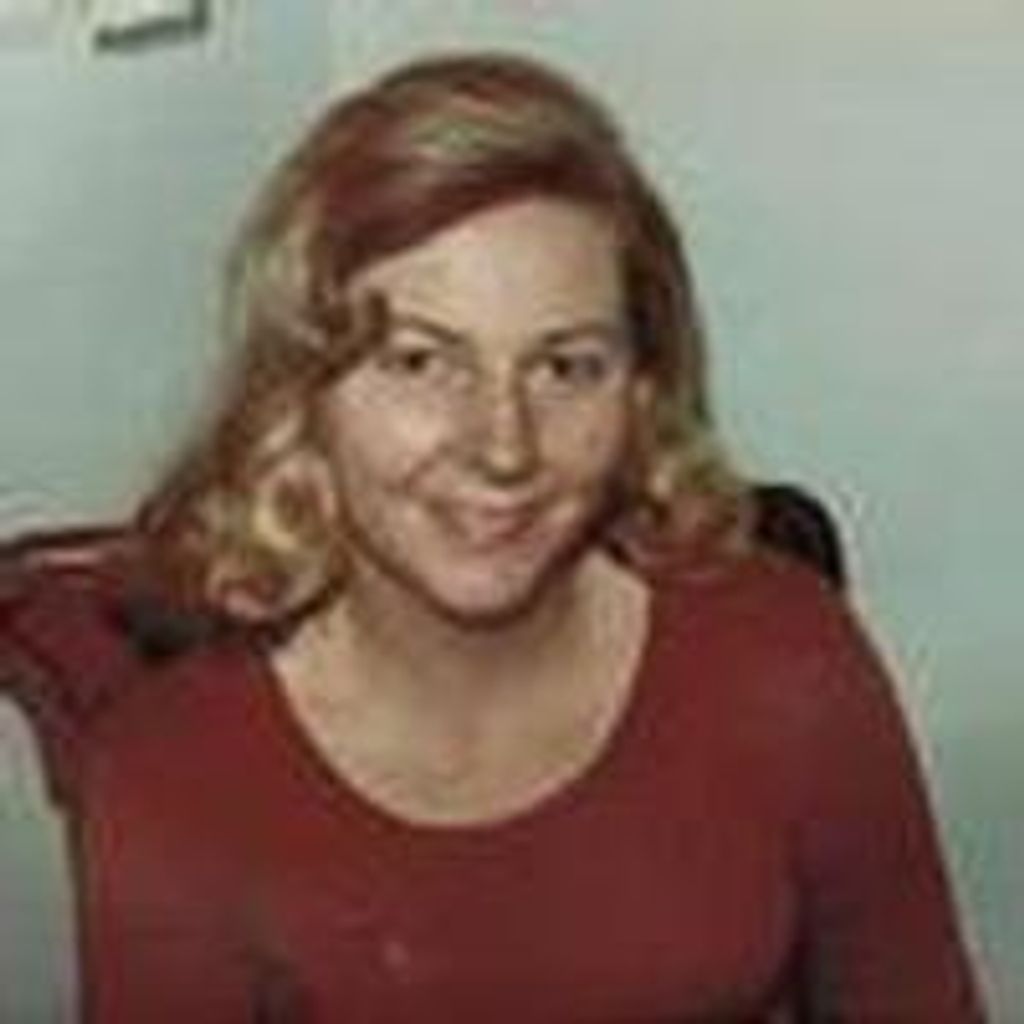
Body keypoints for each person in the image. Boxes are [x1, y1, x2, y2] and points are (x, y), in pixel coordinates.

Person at [0, 52, 983, 1022]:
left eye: (565, 366)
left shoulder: (785, 657)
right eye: (421, 361)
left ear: (640, 395)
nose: (503, 447)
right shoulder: (172, 776)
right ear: (301, 396)